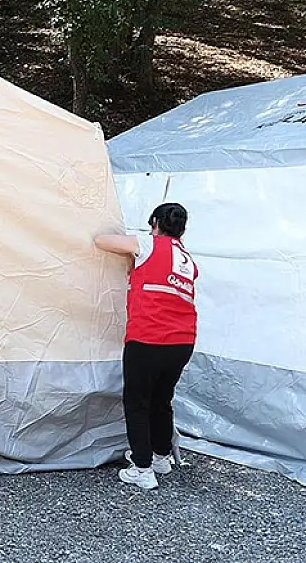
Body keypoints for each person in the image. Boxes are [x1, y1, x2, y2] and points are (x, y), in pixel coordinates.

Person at [94, 202, 198, 490]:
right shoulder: (187, 259)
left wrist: (133, 245)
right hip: (182, 341)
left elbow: (101, 241)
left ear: (154, 222)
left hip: (149, 337)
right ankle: (161, 457)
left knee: (137, 403)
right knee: (161, 401)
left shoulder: (149, 245)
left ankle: (142, 468)